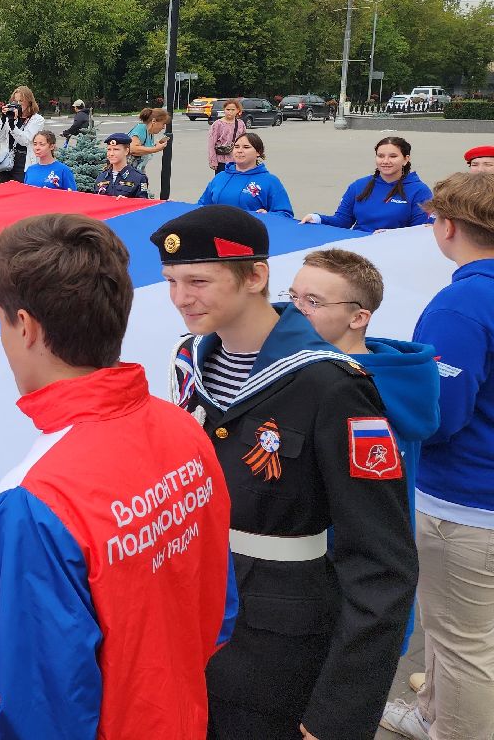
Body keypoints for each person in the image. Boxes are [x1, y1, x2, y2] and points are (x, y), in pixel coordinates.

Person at [0, 213, 234, 740]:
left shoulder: (35, 497)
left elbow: (39, 723)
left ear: (27, 327)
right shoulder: (182, 427)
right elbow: (218, 609)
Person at [153, 205, 418, 740]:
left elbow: (382, 563)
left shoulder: (332, 386)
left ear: (255, 276)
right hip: (189, 627)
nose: (181, 298)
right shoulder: (190, 361)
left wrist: (338, 714)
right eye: (172, 281)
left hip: (278, 649)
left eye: (198, 280)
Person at [381, 173, 494, 740]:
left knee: (461, 643)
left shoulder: (464, 302)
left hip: (467, 502)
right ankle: (434, 717)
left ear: (448, 227)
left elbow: (441, 416)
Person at [289, 249, 439, 658]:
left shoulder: (354, 395)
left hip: (351, 592)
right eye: (293, 296)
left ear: (359, 318)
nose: (294, 311)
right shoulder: (325, 371)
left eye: (313, 302)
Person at [299, 136, 433, 232]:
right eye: (380, 156)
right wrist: (317, 218)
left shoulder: (420, 191)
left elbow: (421, 232)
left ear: (405, 159)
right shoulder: (358, 186)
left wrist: (392, 236)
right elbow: (342, 221)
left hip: (396, 250)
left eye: (393, 156)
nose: (385, 161)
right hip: (359, 250)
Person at [196, 133, 294, 217]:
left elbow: (285, 214)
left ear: (258, 152)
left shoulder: (270, 181)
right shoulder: (220, 177)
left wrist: (268, 215)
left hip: (250, 236)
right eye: (236, 147)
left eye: (246, 147)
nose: (239, 150)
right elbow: (201, 206)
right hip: (218, 234)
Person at [0, 87, 44, 183]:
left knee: (21, 191)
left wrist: (12, 126)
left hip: (24, 160)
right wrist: (4, 119)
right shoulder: (10, 116)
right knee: (5, 190)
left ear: (29, 101)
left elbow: (25, 140)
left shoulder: (37, 119)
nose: (18, 104)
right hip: (8, 159)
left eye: (21, 101)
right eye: (15, 101)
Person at [94, 132, 149, 199]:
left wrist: (127, 202)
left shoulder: (138, 178)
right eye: (109, 149)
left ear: (126, 151)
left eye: (116, 149)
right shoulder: (101, 177)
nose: (111, 154)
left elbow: (143, 205)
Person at [207, 100, 246, 173]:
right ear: (224, 110)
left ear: (238, 110)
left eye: (233, 110)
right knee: (222, 183)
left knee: (237, 182)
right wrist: (213, 161)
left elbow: (245, 142)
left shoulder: (241, 124)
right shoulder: (217, 124)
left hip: (237, 160)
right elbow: (211, 144)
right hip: (221, 161)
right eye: (228, 109)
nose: (230, 112)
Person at [130, 107, 170, 172]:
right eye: (163, 124)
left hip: (136, 171)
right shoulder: (141, 129)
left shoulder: (150, 132)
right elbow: (132, 149)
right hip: (126, 174)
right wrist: (156, 149)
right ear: (154, 121)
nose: (163, 127)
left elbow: (145, 149)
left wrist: (158, 144)